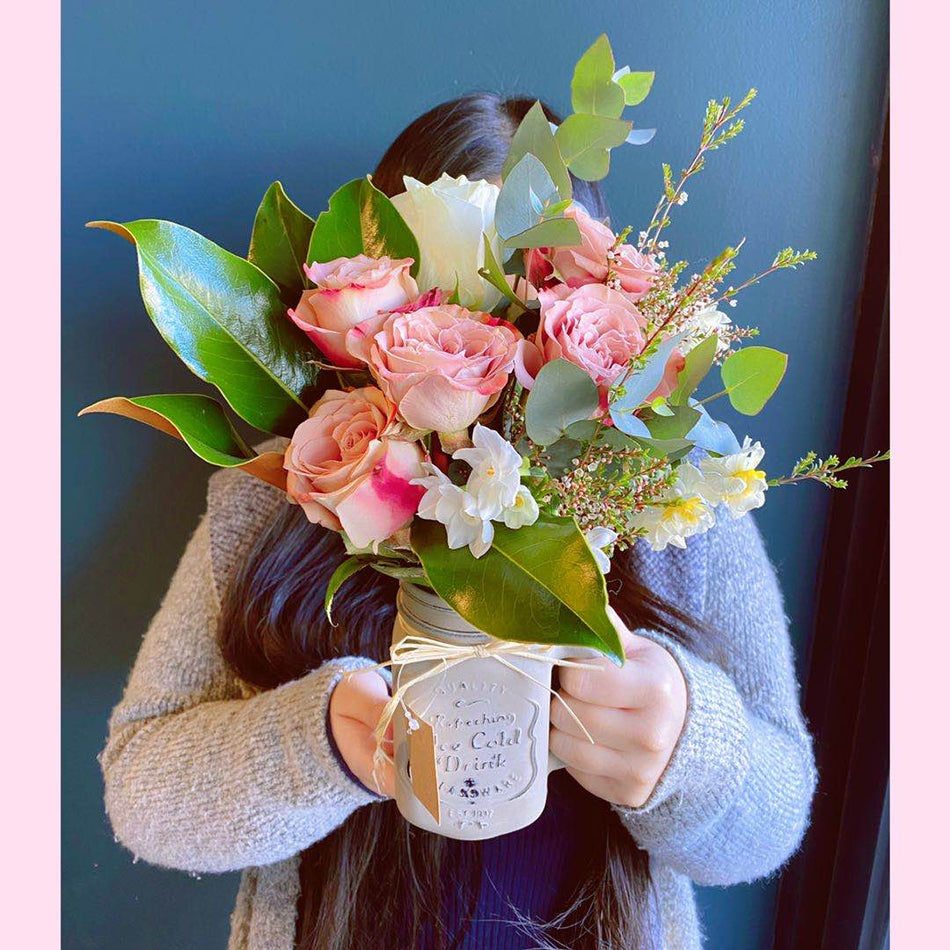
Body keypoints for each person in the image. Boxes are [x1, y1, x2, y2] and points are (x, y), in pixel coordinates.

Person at [101, 94, 816, 950]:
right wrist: (319, 743)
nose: (500, 355)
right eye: (459, 307)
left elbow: (775, 818)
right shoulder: (285, 490)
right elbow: (142, 789)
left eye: (537, 308)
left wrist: (686, 747)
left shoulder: (671, 502)